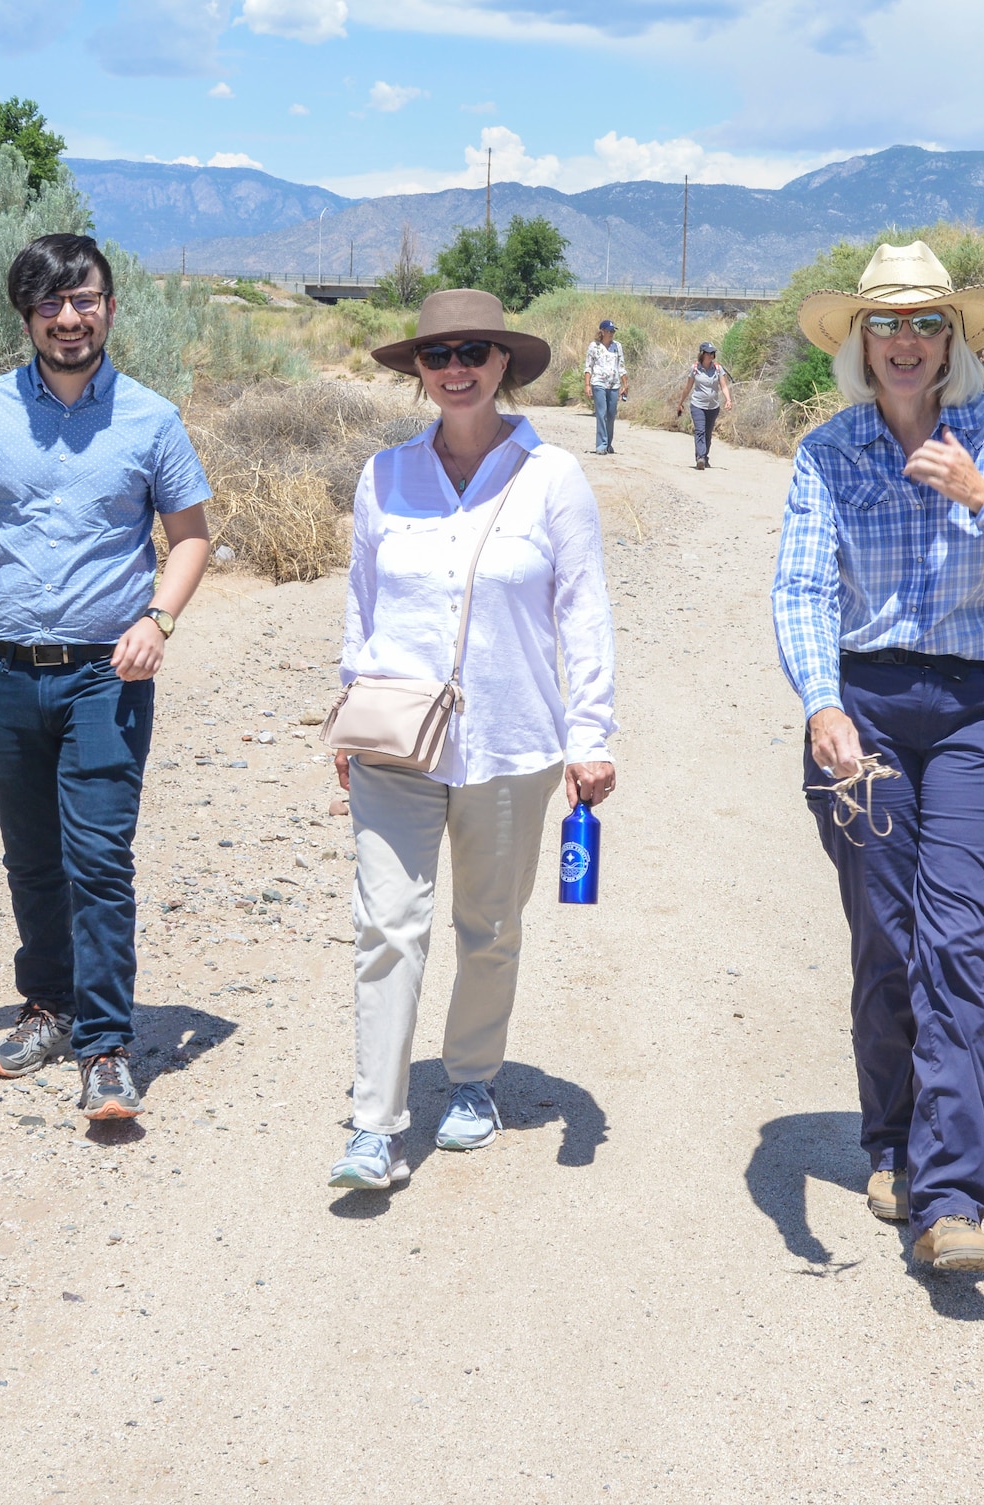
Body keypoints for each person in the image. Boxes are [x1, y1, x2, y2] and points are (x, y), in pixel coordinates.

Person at [770, 241, 984, 1272]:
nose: (903, 342)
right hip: (861, 709)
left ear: (949, 339)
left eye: (922, 324)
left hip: (978, 712)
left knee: (957, 937)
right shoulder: (827, 453)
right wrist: (821, 703)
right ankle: (890, 1139)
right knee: (888, 937)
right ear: (857, 342)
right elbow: (800, 589)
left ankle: (952, 1196)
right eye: (884, 324)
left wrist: (980, 497)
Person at [0, 232, 213, 1120]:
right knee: (32, 858)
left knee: (98, 858)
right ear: (27, 316)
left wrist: (159, 619)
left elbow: (192, 538)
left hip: (109, 674)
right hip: (6, 673)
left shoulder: (152, 417)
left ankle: (105, 1045)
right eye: (50, 305)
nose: (70, 319)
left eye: (85, 299)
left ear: (109, 305)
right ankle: (49, 1006)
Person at [327, 288, 619, 1191]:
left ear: (504, 365)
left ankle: (472, 1080)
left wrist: (591, 733)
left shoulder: (553, 477)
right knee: (388, 924)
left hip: (512, 742)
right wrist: (346, 708)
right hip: (394, 742)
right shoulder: (383, 475)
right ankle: (376, 1125)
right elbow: (362, 604)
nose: (455, 368)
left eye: (473, 352)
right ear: (418, 370)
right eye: (436, 354)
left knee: (489, 925)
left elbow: (584, 611)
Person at [674, 340, 733, 470]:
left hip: (713, 407)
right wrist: (681, 403)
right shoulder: (695, 368)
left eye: (713, 353)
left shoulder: (718, 369)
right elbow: (688, 387)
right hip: (697, 405)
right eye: (709, 353)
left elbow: (723, 386)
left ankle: (704, 457)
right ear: (702, 354)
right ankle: (700, 457)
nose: (711, 355)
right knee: (700, 431)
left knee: (707, 433)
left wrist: (728, 400)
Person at [582, 318, 629, 455]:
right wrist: (587, 385)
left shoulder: (617, 346)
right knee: (601, 413)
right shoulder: (594, 346)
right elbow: (588, 367)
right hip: (598, 383)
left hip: (614, 384)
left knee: (611, 414)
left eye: (613, 331)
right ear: (602, 332)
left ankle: (608, 443)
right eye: (609, 331)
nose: (611, 333)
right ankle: (601, 445)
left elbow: (621, 366)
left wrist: (625, 384)